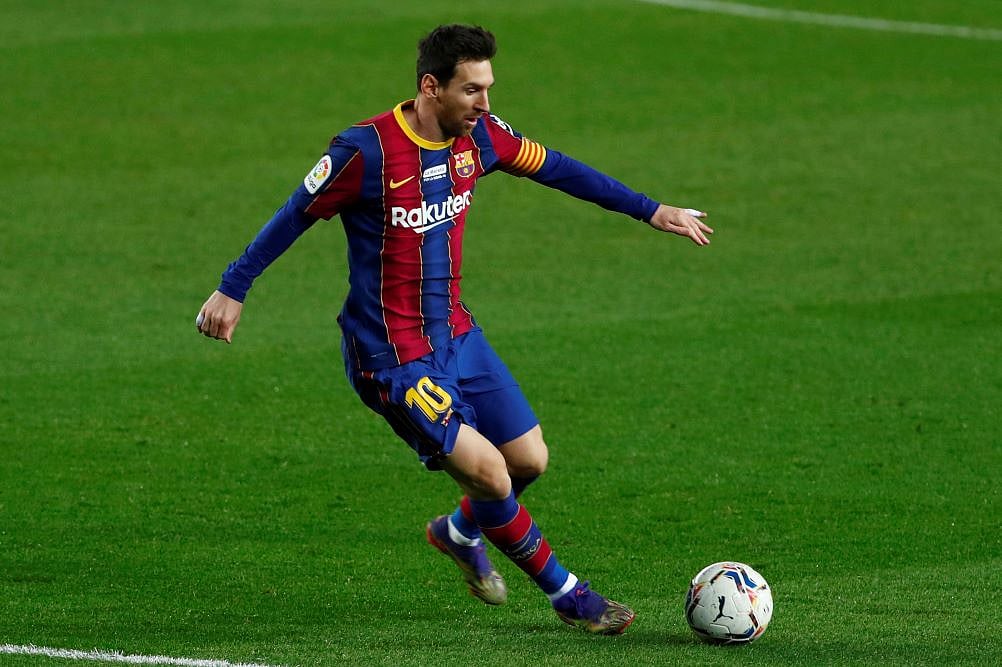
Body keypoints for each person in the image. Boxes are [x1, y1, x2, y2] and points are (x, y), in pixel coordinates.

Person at [196, 24, 712, 635]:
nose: (485, 103)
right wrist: (232, 287)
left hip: (456, 334)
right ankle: (571, 596)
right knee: (490, 472)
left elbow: (558, 168)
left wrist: (651, 210)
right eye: (472, 90)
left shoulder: (482, 137)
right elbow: (294, 214)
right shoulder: (366, 152)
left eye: (488, 88)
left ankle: (460, 531)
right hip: (392, 356)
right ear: (430, 87)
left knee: (528, 460)